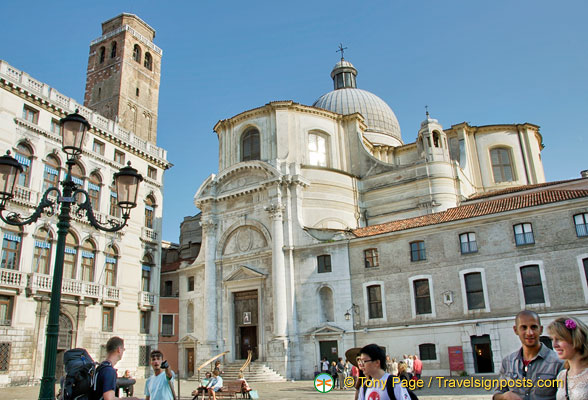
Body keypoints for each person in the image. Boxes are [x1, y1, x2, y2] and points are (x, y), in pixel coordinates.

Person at [493, 310, 563, 400]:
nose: (529, 333)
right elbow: (497, 394)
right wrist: (504, 397)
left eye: (534, 327)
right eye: (524, 327)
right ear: (515, 330)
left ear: (540, 330)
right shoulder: (507, 362)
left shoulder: (558, 362)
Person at [547, 316, 588, 400]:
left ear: (575, 338)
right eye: (552, 339)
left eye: (559, 339)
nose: (554, 345)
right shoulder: (562, 375)